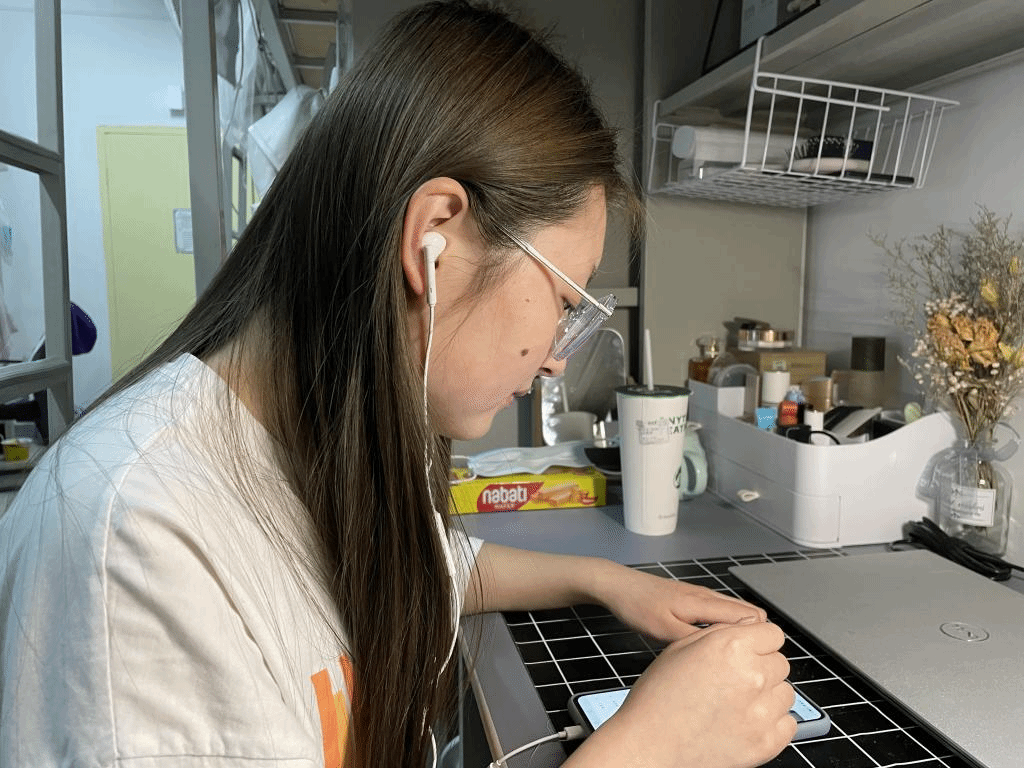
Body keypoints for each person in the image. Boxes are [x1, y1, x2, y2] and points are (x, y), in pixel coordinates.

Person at [0, 2, 796, 767]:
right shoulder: (136, 539)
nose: (556, 358)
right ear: (433, 237)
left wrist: (608, 583)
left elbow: (433, 565)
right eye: (563, 303)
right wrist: (652, 747)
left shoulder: (302, 443)